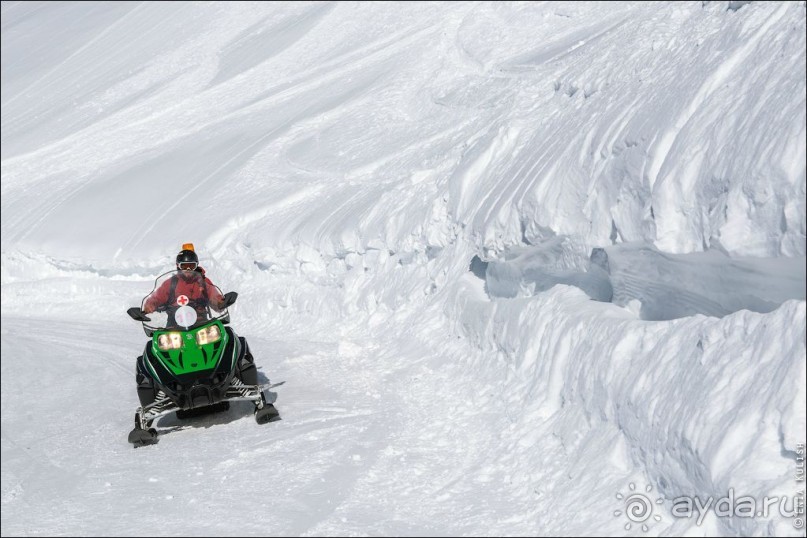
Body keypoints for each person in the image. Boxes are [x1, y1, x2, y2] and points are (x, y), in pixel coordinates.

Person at [142, 246, 226, 325]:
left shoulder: (203, 282)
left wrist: (220, 302)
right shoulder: (170, 283)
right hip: (174, 325)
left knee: (222, 334)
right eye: (184, 266)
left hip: (201, 323)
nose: (188, 269)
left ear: (196, 266)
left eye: (191, 266)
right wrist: (150, 305)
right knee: (159, 340)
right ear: (178, 266)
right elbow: (157, 297)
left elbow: (213, 295)